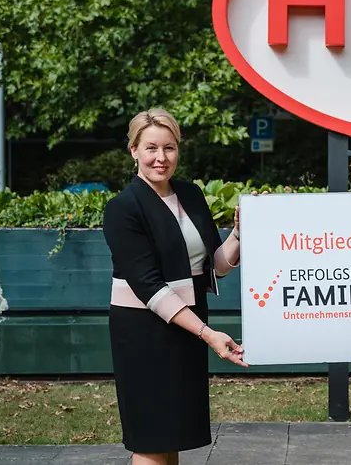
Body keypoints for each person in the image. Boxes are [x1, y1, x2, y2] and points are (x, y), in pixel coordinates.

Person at [103, 108, 247, 465]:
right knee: (151, 439)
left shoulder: (191, 194)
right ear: (133, 150)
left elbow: (212, 265)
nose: (161, 158)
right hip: (145, 335)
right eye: (151, 148)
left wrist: (240, 234)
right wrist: (207, 333)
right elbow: (148, 286)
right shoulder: (123, 208)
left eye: (169, 148)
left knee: (171, 436)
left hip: (187, 329)